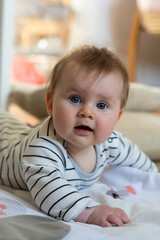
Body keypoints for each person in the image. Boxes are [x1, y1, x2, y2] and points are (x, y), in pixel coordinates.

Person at [0, 45, 158, 228]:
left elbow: (138, 161)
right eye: (75, 99)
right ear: (50, 104)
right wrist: (91, 211)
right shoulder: (42, 149)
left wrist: (154, 178)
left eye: (101, 105)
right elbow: (49, 194)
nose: (87, 112)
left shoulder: (111, 142)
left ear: (117, 118)